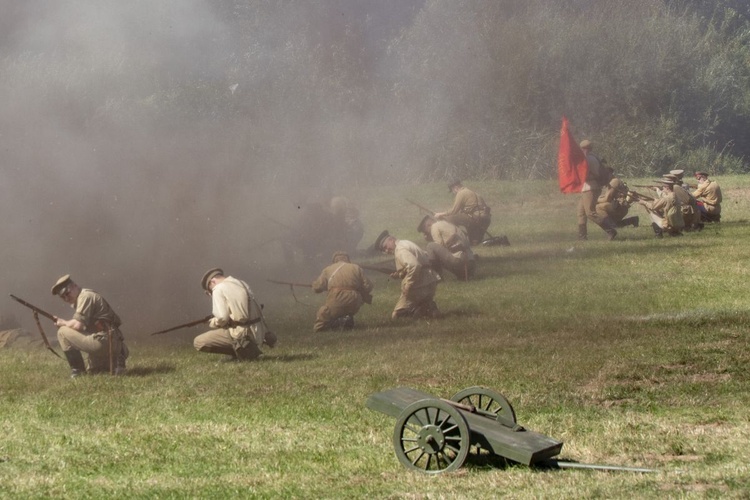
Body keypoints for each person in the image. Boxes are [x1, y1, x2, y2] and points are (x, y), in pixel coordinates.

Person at [51, 274, 128, 377]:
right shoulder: (84, 297)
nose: (66, 298)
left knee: (62, 332)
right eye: (62, 297)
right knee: (95, 371)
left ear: (74, 286)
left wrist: (62, 323)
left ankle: (78, 371)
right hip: (112, 340)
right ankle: (118, 356)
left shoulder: (85, 296)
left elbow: (78, 325)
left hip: (104, 341)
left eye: (67, 293)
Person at [194, 268, 277, 362]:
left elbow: (222, 318)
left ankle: (243, 352)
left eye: (210, 290)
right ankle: (245, 350)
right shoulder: (242, 283)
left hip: (243, 334)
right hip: (258, 333)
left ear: (213, 281)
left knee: (199, 342)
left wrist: (212, 322)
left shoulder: (218, 289)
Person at [374, 230, 440, 319]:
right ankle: (428, 306)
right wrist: (399, 274)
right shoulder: (406, 243)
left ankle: (423, 309)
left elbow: (414, 265)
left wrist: (408, 285)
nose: (387, 250)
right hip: (430, 282)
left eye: (386, 247)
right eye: (384, 250)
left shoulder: (400, 249)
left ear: (392, 240)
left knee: (397, 315)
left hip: (419, 286)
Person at [311, 251, 373, 332]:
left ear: (334, 260)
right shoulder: (356, 267)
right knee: (345, 309)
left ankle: (319, 329)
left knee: (324, 311)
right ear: (347, 259)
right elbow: (368, 286)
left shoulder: (328, 269)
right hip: (355, 301)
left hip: (337, 298)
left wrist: (314, 285)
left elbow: (317, 288)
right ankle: (345, 319)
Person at [576, 140, 618, 241]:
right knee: (580, 212)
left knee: (590, 213)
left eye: (583, 149)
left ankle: (610, 230)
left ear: (586, 149)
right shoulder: (590, 158)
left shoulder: (589, 159)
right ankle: (582, 237)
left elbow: (593, 175)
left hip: (591, 188)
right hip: (586, 188)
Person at [417, 215, 476, 280]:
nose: (426, 234)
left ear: (428, 225)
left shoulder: (434, 226)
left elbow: (439, 246)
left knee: (430, 246)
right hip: (470, 263)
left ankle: (437, 277)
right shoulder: (446, 223)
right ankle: (463, 275)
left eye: (425, 232)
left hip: (459, 260)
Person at [434, 179, 491, 245]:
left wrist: (441, 214)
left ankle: (456, 239)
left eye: (452, 190)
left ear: (455, 188)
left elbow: (454, 211)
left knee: (449, 218)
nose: (453, 193)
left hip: (476, 218)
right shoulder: (472, 192)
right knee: (474, 242)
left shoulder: (461, 193)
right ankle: (473, 239)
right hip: (486, 219)